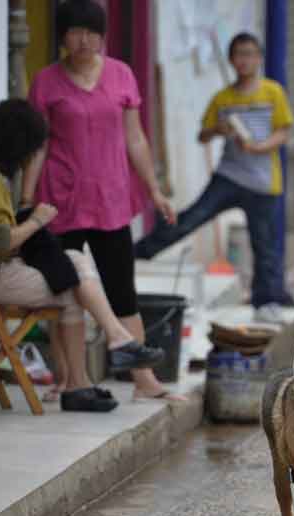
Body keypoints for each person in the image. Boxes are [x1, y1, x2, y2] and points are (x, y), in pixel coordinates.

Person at [0, 99, 166, 412]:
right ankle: (83, 379)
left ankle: (103, 355)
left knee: (73, 262)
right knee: (72, 287)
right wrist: (37, 220)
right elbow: (3, 243)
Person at [22, 0, 185, 401]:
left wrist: (154, 190)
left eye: (93, 32)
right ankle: (68, 379)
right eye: (76, 31)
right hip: (61, 201)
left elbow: (135, 139)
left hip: (111, 200)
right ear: (61, 35)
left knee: (121, 291)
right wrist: (26, 198)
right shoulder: (46, 81)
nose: (85, 40)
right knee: (65, 292)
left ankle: (144, 381)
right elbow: (39, 145)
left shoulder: (121, 75)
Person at [132, 32, 294, 323]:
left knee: (265, 244)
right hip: (228, 176)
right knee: (192, 217)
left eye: (250, 54)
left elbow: (284, 131)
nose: (245, 60)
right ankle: (139, 252)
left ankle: (267, 301)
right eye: (239, 54)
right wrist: (219, 129)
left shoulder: (273, 92)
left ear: (258, 59)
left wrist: (260, 146)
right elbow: (202, 135)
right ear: (232, 60)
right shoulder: (223, 99)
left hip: (263, 182)